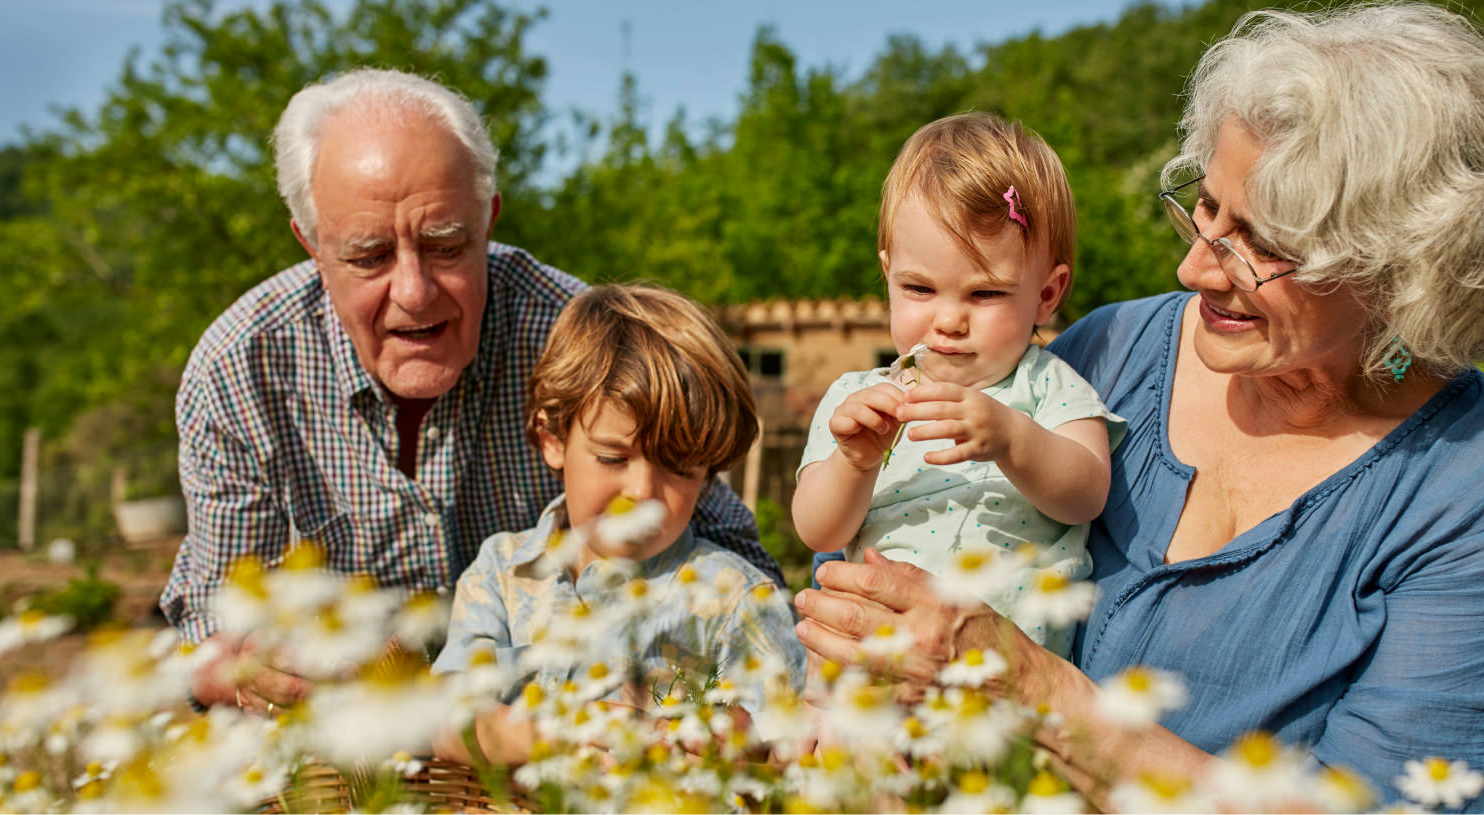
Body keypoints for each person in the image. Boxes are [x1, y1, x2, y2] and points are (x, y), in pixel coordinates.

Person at [790, 4, 1484, 811]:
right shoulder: (1112, 350)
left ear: (1406, 271)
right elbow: (899, 531)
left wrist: (1026, 685)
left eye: (1263, 242)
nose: (1195, 268)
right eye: (1205, 209)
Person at [161, 68, 783, 715]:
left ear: (487, 220)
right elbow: (210, 619)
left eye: (446, 245)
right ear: (312, 245)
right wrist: (253, 669)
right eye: (370, 256)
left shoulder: (581, 344)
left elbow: (736, 563)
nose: (414, 291)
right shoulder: (241, 369)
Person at [428, 284, 806, 764]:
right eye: (612, 457)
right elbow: (443, 720)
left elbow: (791, 749)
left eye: (679, 468)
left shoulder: (735, 599)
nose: (643, 492)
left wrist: (733, 740)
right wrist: (563, 735)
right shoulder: (503, 572)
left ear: (709, 474)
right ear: (552, 439)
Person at [792, 112, 1123, 657]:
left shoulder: (1045, 385)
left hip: (1004, 671)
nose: (948, 320)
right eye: (919, 288)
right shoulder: (859, 399)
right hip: (872, 661)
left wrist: (1013, 439)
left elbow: (1086, 494)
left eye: (985, 294)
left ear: (1046, 295)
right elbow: (819, 533)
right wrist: (854, 462)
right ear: (888, 274)